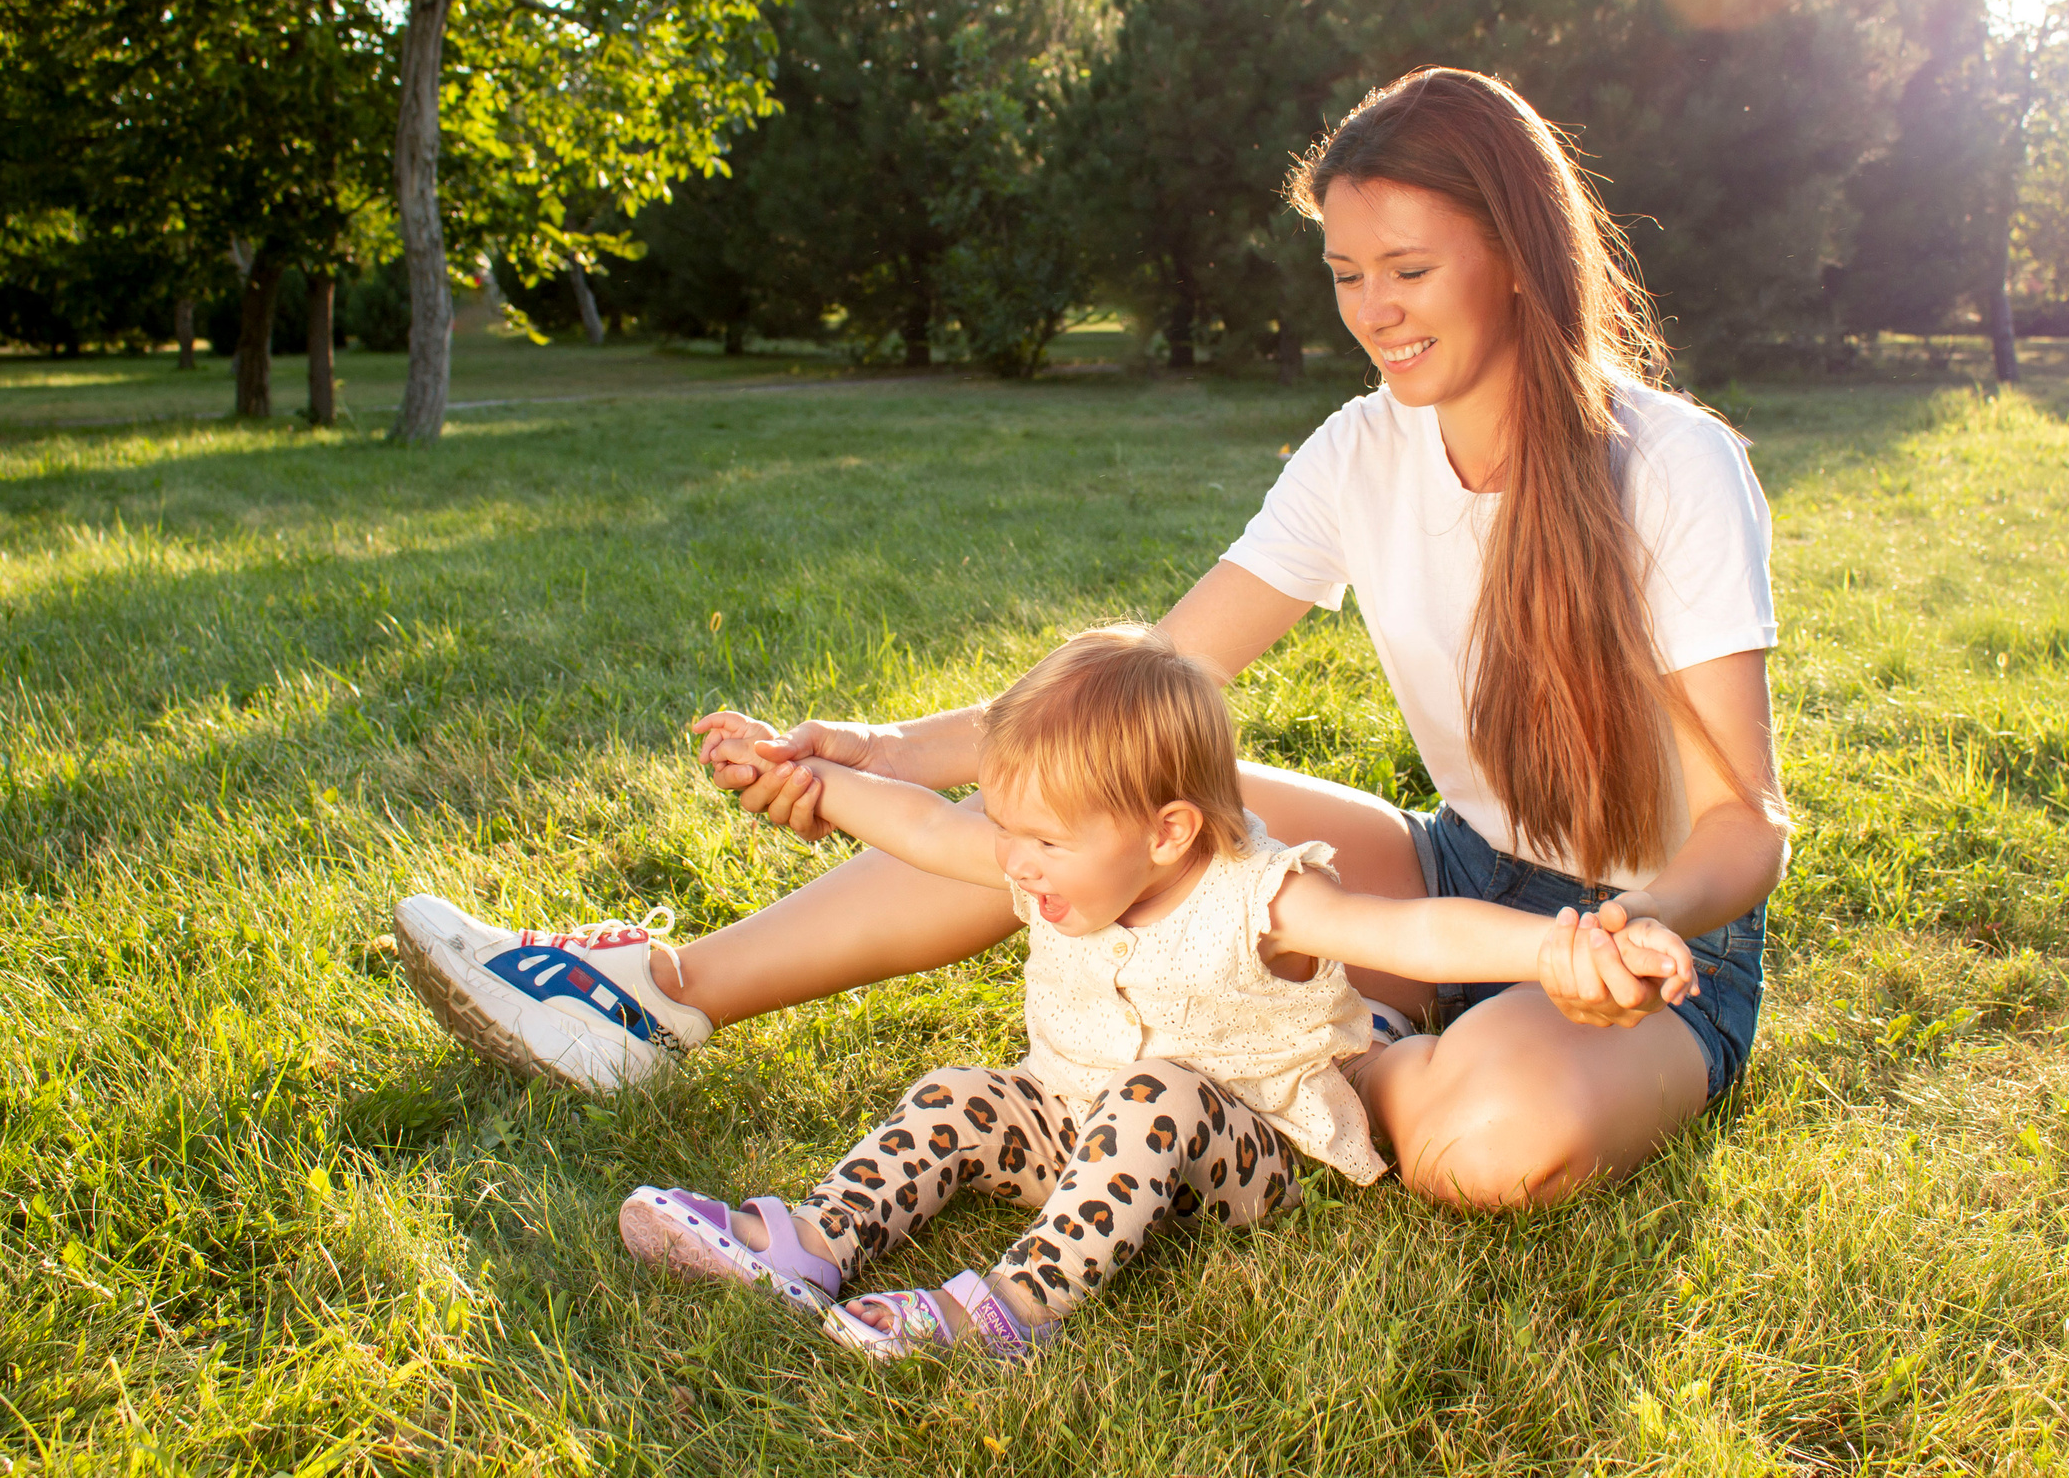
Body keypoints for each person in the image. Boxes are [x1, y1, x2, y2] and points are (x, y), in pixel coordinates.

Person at [392, 65, 1786, 1208]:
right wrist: (875, 748)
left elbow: (1746, 827)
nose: (1373, 312)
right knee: (1092, 803)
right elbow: (1146, 685)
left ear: (1519, 253)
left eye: (1408, 267)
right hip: (1442, 870)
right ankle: (652, 997)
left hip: (1658, 947)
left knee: (1491, 1139)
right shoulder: (1363, 448)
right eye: (1347, 270)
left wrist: (1636, 926)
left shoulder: (1670, 466)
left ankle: (1294, 1079)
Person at [609, 627, 1696, 1360]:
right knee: (955, 1092)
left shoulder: (1263, 897)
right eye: (1010, 831)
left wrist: (1558, 949)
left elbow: (1411, 927)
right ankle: (811, 1242)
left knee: (1154, 1094)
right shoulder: (1055, 861)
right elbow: (931, 828)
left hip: (1237, 1153)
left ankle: (1006, 1308)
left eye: (1040, 840)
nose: (1016, 865)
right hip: (1073, 1127)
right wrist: (816, 777)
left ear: (1168, 829)